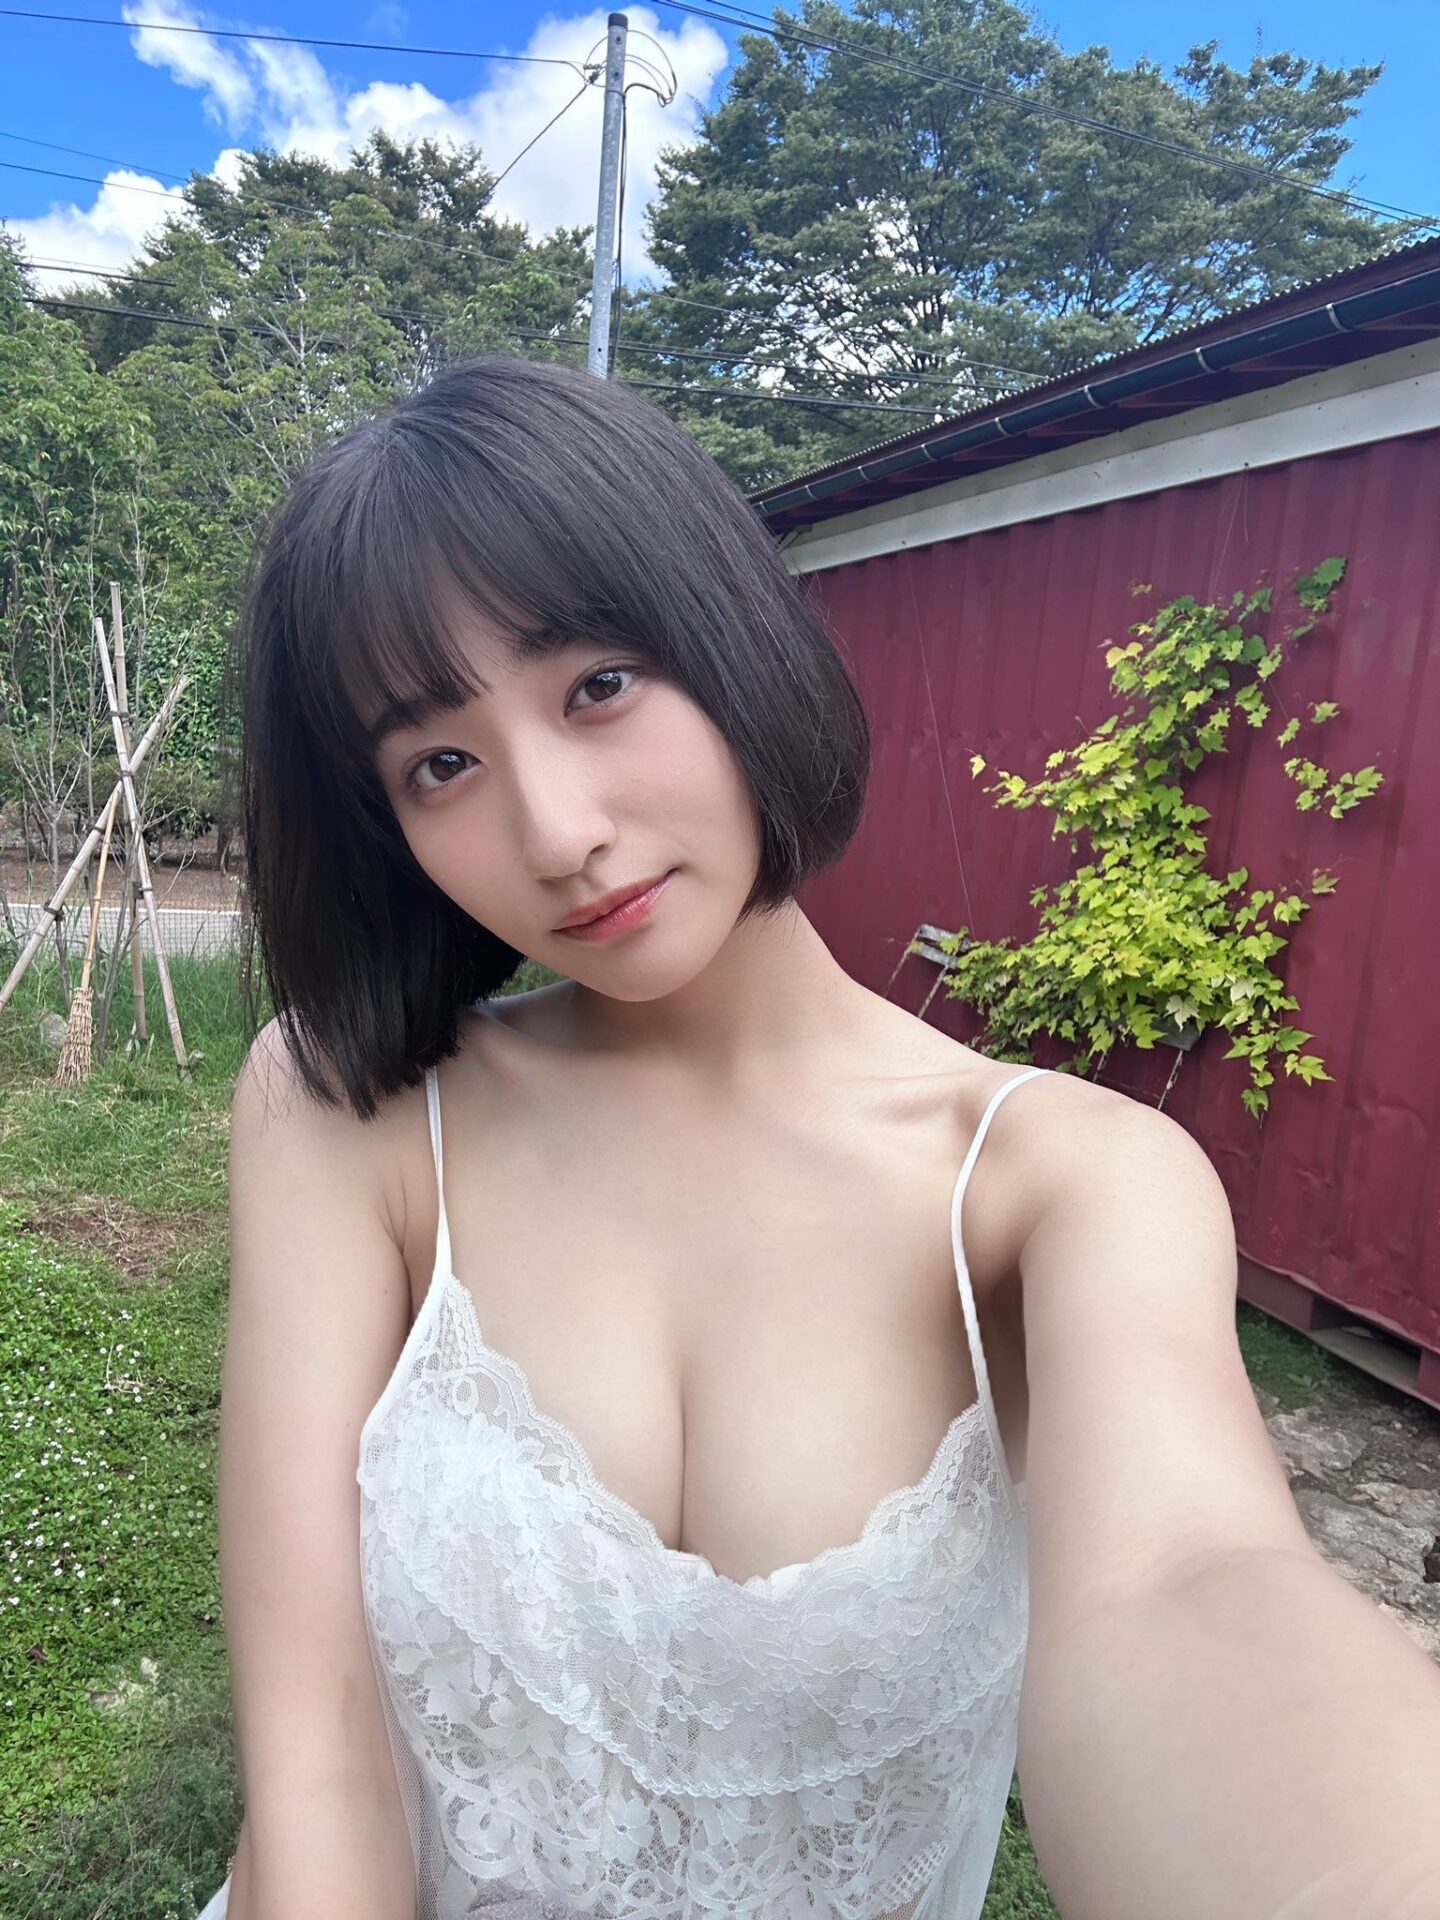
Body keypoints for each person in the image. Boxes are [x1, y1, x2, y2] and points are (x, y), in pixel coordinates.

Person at [199, 355, 1440, 1920]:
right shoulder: (354, 1110)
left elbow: (1193, 1587)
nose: (558, 833)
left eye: (598, 685)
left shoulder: (1062, 1188)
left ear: (727, 636)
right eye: (440, 763)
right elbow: (319, 1753)